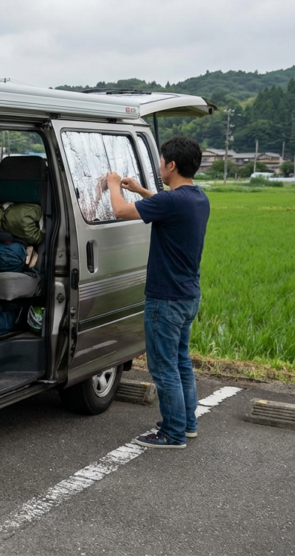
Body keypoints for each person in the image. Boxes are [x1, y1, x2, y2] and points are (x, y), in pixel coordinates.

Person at [106, 136, 209, 449]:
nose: (159, 165)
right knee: (180, 363)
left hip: (165, 298)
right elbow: (165, 207)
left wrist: (113, 184)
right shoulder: (196, 198)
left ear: (171, 165)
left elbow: (122, 211)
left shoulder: (171, 201)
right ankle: (186, 425)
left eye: (162, 160)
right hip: (187, 295)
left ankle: (172, 433)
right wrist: (140, 191)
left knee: (164, 368)